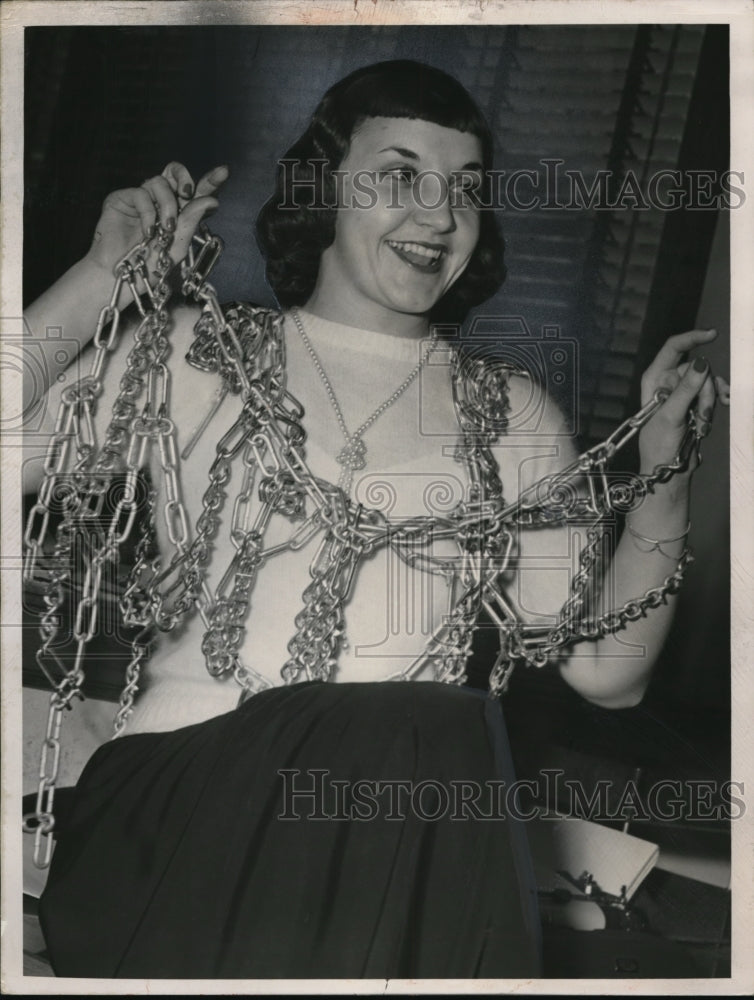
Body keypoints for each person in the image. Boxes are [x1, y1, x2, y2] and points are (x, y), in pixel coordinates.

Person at [23, 60, 727, 979]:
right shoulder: (194, 350)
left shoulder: (514, 416)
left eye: (464, 191)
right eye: (400, 176)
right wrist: (100, 274)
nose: (439, 215)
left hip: (395, 839)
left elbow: (608, 673)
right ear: (322, 192)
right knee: (432, 728)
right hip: (175, 817)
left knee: (435, 734)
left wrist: (666, 474)